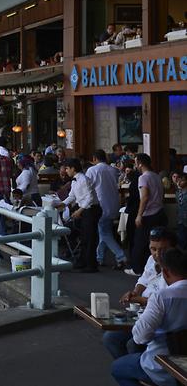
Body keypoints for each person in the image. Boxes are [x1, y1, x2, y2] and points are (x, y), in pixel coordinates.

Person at [111, 248, 187, 386]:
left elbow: (140, 337)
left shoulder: (162, 297)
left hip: (160, 364)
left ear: (165, 272)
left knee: (117, 368)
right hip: (182, 364)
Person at [104, 228, 176, 359]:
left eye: (163, 250)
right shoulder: (152, 260)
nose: (157, 254)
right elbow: (144, 279)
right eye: (153, 249)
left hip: (162, 323)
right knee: (110, 338)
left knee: (134, 344)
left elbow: (167, 301)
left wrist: (139, 300)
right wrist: (135, 292)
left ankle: (139, 371)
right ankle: (130, 369)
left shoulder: (176, 269)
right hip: (143, 314)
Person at [55, 158, 101, 272]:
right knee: (84, 237)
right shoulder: (75, 180)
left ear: (73, 168)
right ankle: (83, 262)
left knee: (90, 238)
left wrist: (79, 211)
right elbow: (72, 196)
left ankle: (91, 266)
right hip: (85, 209)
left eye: (67, 168)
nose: (65, 171)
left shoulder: (84, 179)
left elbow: (90, 199)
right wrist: (62, 204)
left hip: (91, 210)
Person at [88, 149, 127, 269]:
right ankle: (99, 257)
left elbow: (87, 186)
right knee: (105, 232)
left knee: (104, 233)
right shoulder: (113, 170)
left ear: (94, 158)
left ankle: (121, 256)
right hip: (114, 204)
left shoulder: (92, 170)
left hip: (100, 205)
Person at [131, 153, 167, 274]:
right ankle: (154, 268)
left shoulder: (143, 177)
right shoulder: (156, 176)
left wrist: (139, 215)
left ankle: (138, 269)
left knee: (140, 242)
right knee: (157, 241)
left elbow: (145, 197)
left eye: (136, 162)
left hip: (148, 214)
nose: (135, 165)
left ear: (140, 164)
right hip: (160, 212)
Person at [176, 172, 187, 250]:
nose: (179, 182)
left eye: (182, 180)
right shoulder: (178, 192)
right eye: (178, 180)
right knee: (181, 241)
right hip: (180, 220)